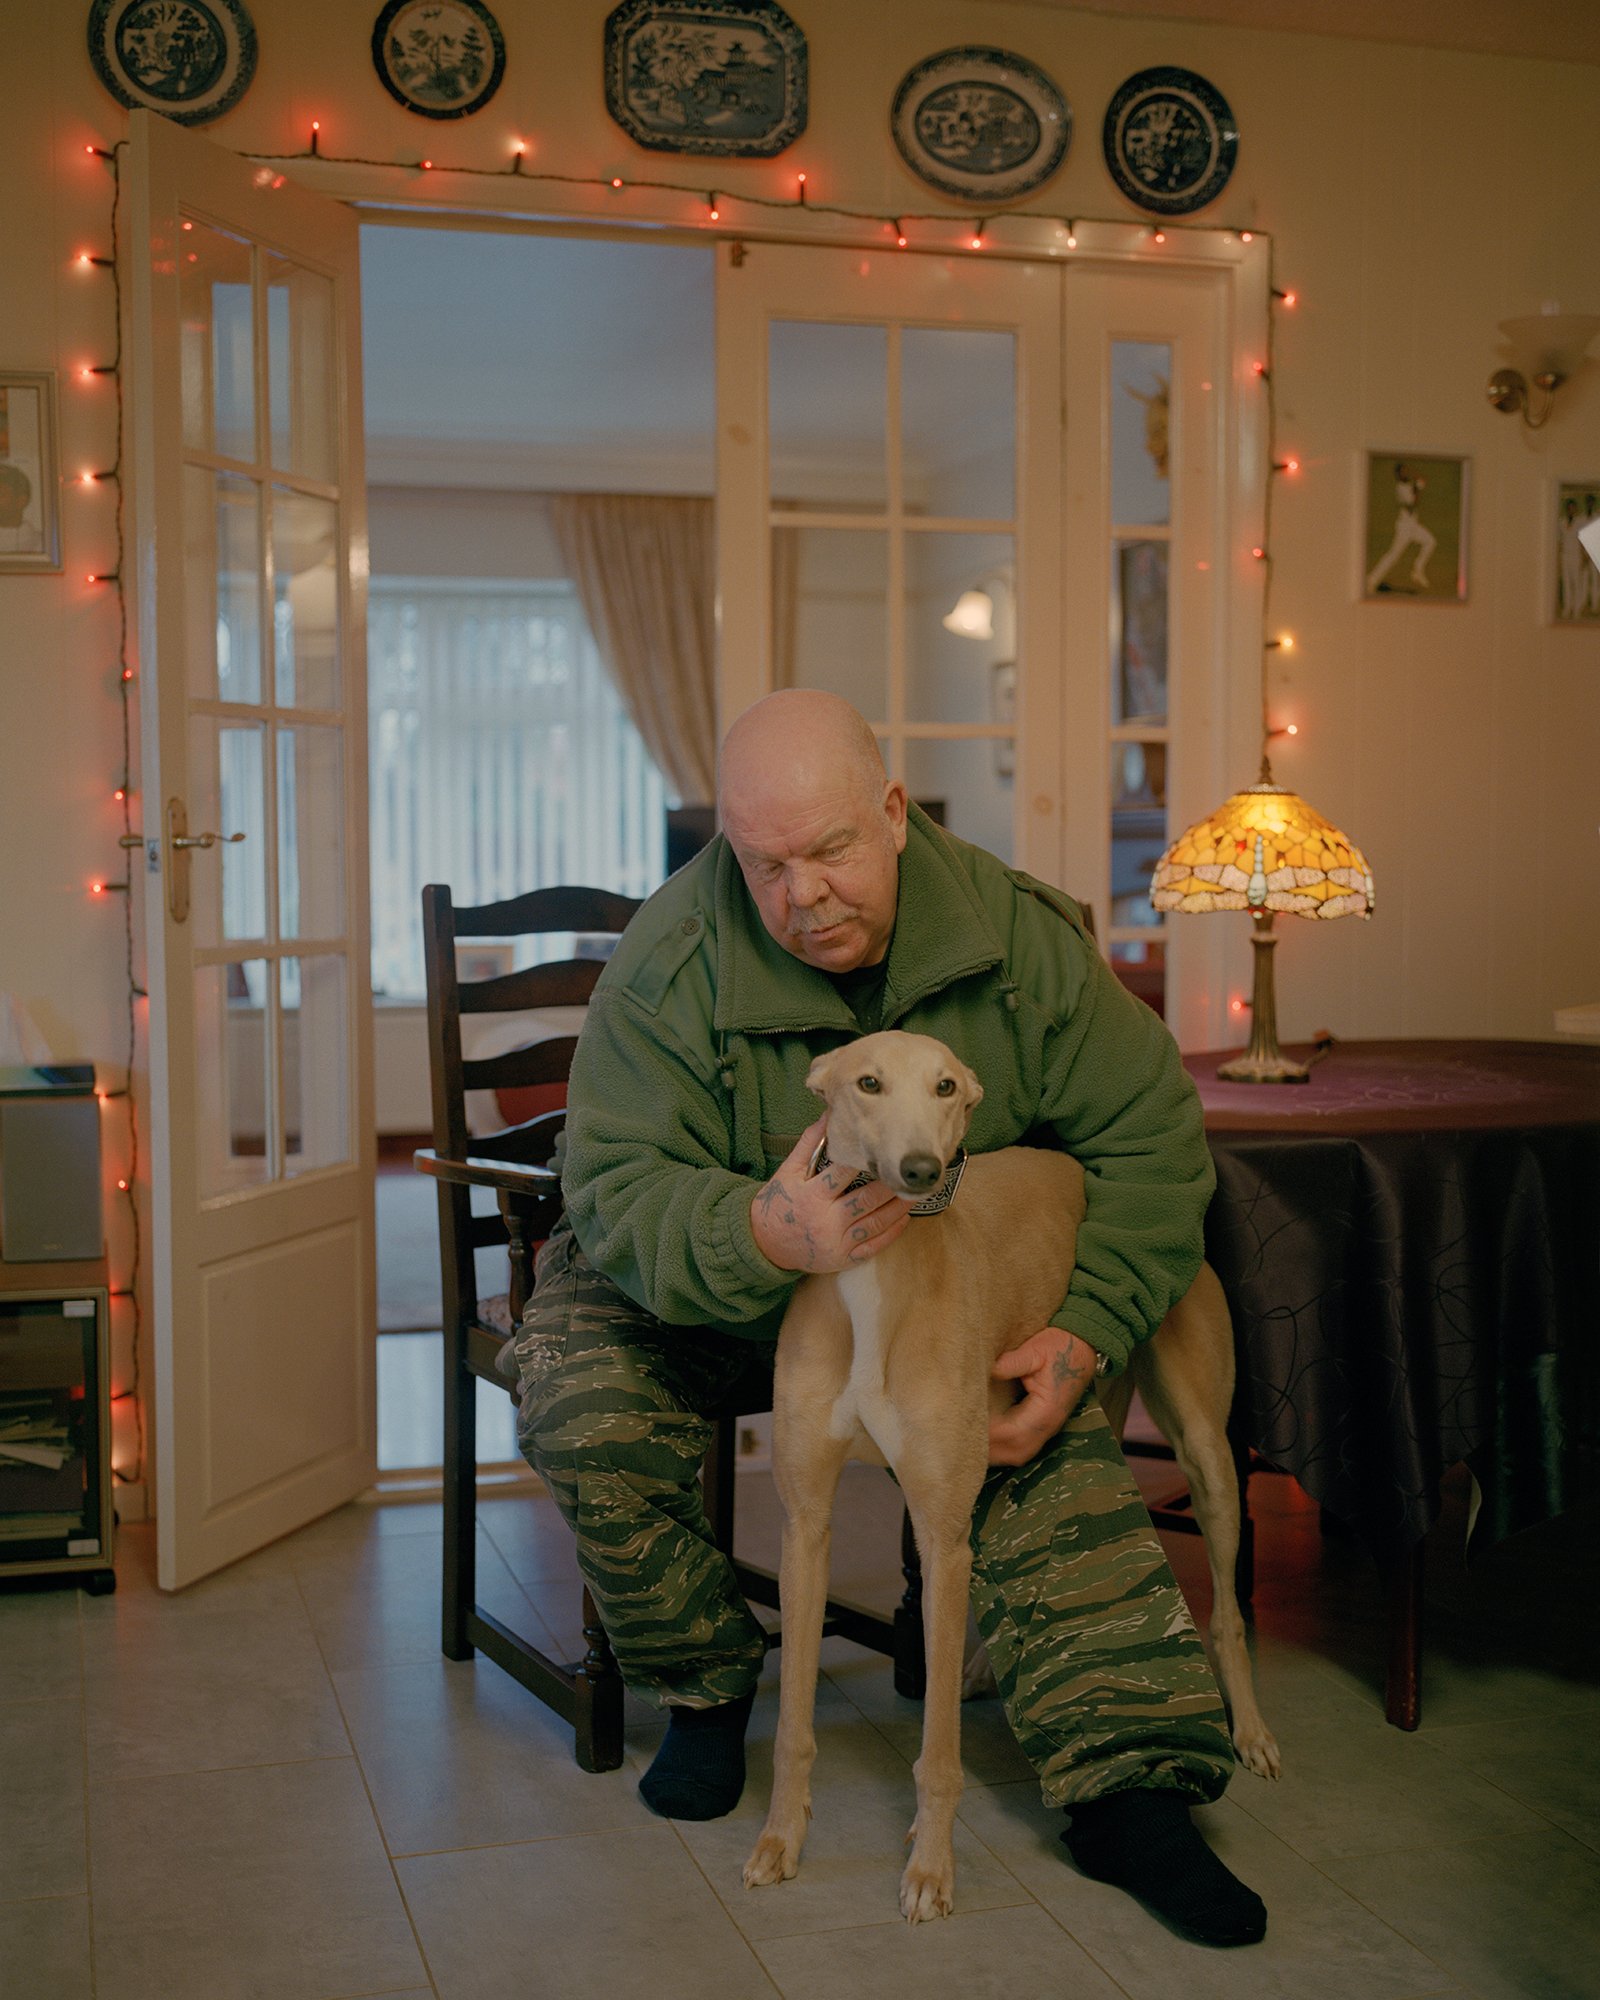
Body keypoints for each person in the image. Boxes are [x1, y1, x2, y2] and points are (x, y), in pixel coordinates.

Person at [508, 689, 1267, 1948]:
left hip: (920, 1273)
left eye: (829, 851)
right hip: (706, 1265)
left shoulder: (1017, 938)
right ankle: (706, 1677)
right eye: (764, 866)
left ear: (895, 813)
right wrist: (756, 1231)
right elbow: (615, 1183)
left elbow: (1150, 1143)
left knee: (1041, 1439)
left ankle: (1124, 1773)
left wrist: (1081, 1328)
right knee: (581, 1396)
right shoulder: (668, 959)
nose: (800, 894)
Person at [1366, 461, 1436, 594]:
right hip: (1404, 528)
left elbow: (1421, 481)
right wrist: (1417, 489)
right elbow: (1411, 506)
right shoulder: (1401, 488)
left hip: (1413, 526)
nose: (1405, 473)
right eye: (1402, 472)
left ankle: (1417, 570)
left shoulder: (1409, 484)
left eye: (1406, 471)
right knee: (1393, 556)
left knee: (1430, 541)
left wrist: (1417, 481)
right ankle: (1371, 580)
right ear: (1398, 475)